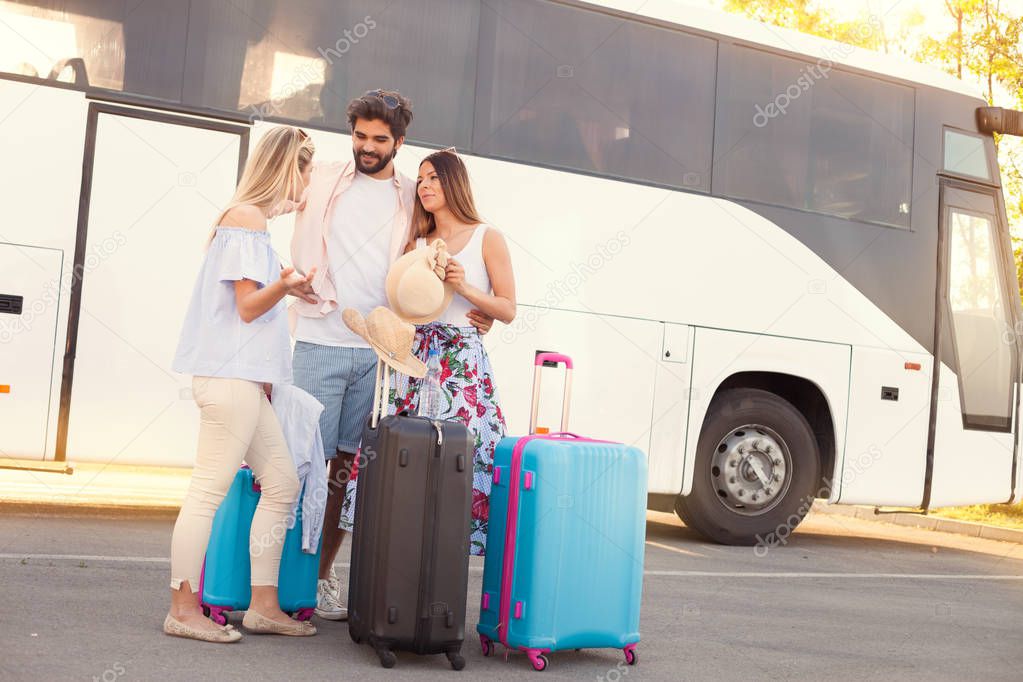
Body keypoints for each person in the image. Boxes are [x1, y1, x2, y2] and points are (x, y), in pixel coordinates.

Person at [289, 90, 495, 620]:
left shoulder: (415, 199)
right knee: (294, 461)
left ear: (398, 143)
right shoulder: (325, 178)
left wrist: (478, 307)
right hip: (319, 338)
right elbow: (273, 192)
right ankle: (276, 580)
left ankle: (318, 578)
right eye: (360, 136)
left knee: (347, 472)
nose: (367, 147)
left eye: (380, 139)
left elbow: (438, 270)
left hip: (381, 354)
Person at [166, 126, 318, 642]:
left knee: (282, 483)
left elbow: (253, 307)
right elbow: (250, 307)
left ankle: (263, 606)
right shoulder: (246, 220)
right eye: (306, 168)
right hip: (231, 383)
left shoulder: (252, 226)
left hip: (243, 385)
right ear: (287, 167)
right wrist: (287, 285)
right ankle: (183, 610)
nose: (309, 180)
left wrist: (294, 291)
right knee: (207, 492)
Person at [389, 148, 516, 555]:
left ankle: (443, 564)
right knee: (411, 458)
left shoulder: (486, 236)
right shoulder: (416, 241)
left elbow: (508, 309)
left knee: (458, 460)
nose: (424, 186)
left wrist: (465, 288)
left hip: (461, 364)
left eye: (434, 178)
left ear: (454, 182)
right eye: (421, 179)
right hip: (415, 358)